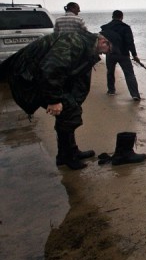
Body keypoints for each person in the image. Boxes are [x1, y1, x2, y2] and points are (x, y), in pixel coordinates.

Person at [0, 31, 112, 170]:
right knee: (69, 111)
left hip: (36, 75)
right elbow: (50, 69)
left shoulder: (85, 43)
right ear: (103, 42)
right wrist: (54, 100)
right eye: (107, 51)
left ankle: (69, 152)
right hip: (26, 77)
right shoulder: (75, 42)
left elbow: (71, 73)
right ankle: (67, 157)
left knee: (69, 110)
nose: (104, 55)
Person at [100, 10, 141, 100]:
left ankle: (111, 91)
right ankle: (135, 94)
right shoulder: (125, 28)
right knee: (129, 74)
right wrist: (134, 55)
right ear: (121, 17)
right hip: (123, 54)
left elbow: (102, 41)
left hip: (110, 54)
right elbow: (130, 42)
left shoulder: (106, 27)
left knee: (110, 72)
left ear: (112, 17)